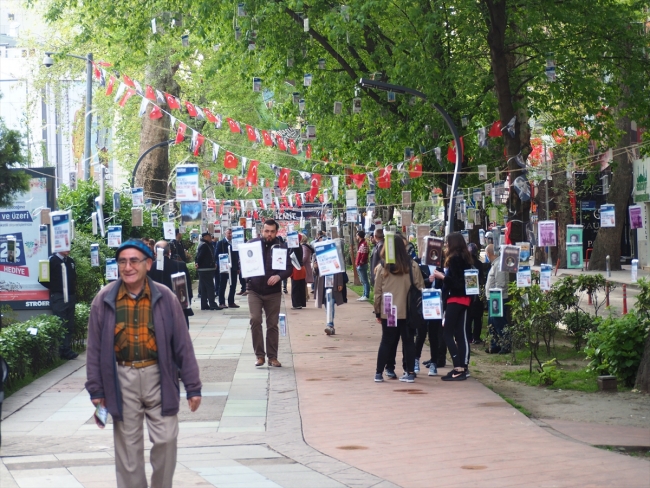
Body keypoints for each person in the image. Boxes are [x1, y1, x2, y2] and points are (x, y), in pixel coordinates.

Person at [85, 239, 202, 488]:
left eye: (134, 261)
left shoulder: (166, 296)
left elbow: (182, 344)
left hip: (158, 376)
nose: (127, 267)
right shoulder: (105, 298)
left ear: (148, 264)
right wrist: (96, 389)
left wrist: (193, 386)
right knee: (128, 452)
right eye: (122, 262)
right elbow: (94, 348)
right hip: (121, 378)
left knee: (167, 439)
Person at [373, 237, 425, 383]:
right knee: (408, 341)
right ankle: (409, 372)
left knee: (386, 341)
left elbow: (377, 292)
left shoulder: (383, 267)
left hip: (389, 309)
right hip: (408, 310)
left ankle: (379, 372)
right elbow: (420, 287)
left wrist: (378, 311)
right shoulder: (412, 265)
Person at [246, 219, 293, 367]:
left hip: (273, 293)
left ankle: (272, 357)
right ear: (262, 231)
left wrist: (279, 276)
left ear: (276, 232)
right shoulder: (252, 245)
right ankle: (260, 356)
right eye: (267, 231)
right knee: (255, 320)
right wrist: (247, 274)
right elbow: (242, 262)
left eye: (272, 231)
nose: (269, 234)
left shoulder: (282, 247)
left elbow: (289, 268)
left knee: (272, 324)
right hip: (254, 290)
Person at [436, 232, 473, 381]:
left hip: (456, 299)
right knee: (460, 333)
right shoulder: (466, 259)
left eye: (447, 243)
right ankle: (462, 367)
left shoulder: (455, 260)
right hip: (464, 300)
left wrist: (443, 277)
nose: (445, 245)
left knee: (447, 333)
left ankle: (458, 367)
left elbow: (456, 283)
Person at [39, 250, 78, 359]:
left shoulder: (70, 261)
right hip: (59, 297)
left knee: (69, 324)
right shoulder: (51, 260)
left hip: (70, 296)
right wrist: (57, 288)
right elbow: (42, 279)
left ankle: (67, 349)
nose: (69, 249)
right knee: (61, 323)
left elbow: (74, 278)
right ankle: (62, 350)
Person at [148, 241, 194, 328]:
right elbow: (188, 288)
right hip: (178, 307)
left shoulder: (150, 267)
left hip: (157, 309)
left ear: (155, 252)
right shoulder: (180, 265)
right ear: (169, 251)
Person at [415, 262, 445, 376]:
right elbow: (416, 283)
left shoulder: (439, 267)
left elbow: (444, 284)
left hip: (436, 304)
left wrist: (440, 278)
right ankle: (416, 359)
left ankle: (434, 362)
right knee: (421, 334)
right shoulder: (419, 265)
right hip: (423, 303)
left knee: (434, 335)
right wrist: (428, 280)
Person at [485, 244, 511, 354]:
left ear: (489, 254)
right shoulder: (495, 264)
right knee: (492, 322)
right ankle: (495, 344)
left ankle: (506, 345)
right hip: (493, 298)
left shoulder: (499, 264)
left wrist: (495, 296)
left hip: (498, 298)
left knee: (499, 322)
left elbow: (501, 284)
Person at [194, 232, 221, 310]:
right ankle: (212, 304)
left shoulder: (204, 244)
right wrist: (197, 263)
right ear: (206, 237)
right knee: (210, 287)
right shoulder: (204, 245)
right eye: (210, 236)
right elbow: (199, 256)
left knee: (204, 288)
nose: (211, 238)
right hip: (205, 269)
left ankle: (204, 304)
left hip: (205, 269)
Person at [215, 228, 240, 309]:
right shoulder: (221, 243)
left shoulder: (235, 243)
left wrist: (238, 267)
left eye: (232, 233)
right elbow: (216, 255)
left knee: (233, 285)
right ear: (225, 233)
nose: (230, 235)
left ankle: (231, 301)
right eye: (229, 233)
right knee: (222, 285)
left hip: (233, 267)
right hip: (224, 267)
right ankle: (221, 302)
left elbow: (237, 256)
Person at [467, 243, 486, 345]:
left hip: (469, 291)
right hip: (478, 292)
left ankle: (469, 336)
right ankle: (476, 337)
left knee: (469, 316)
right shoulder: (479, 263)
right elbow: (482, 278)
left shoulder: (466, 263)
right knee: (477, 317)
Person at [315, 271, 345, 335]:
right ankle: (331, 327)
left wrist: (340, 282)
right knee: (327, 306)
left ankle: (329, 325)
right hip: (323, 283)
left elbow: (339, 268)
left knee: (330, 304)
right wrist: (315, 267)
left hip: (333, 283)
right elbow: (315, 273)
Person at [290, 234, 306, 309]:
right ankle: (301, 302)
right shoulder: (299, 246)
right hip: (301, 268)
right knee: (300, 286)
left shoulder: (295, 247)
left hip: (296, 268)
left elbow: (290, 255)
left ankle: (296, 304)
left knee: (295, 287)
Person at [355, 230, 370, 301]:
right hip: (360, 265)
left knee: (365, 281)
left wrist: (360, 263)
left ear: (359, 236)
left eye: (357, 235)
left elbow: (364, 255)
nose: (356, 236)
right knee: (363, 281)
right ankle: (364, 294)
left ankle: (366, 295)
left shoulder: (364, 244)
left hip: (362, 265)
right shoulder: (362, 244)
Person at [301, 234, 315, 301]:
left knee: (303, 282)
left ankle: (305, 296)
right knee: (304, 282)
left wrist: (299, 262)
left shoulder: (304, 247)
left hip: (305, 267)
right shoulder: (306, 247)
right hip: (306, 266)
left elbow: (304, 257)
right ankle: (306, 296)